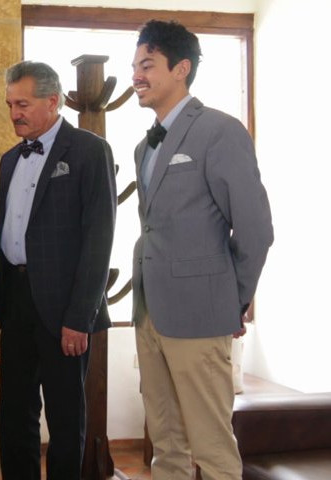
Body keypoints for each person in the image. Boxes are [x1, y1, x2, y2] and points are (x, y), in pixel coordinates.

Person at [130, 20, 274, 479]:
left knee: (211, 449)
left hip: (201, 313)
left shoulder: (219, 131)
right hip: (150, 312)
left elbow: (255, 229)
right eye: (134, 66)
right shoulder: (143, 147)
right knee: (165, 444)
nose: (136, 75)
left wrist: (234, 301)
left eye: (147, 65)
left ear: (182, 69)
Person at [0, 60, 117, 479]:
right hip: (16, 302)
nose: (14, 113)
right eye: (9, 104)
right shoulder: (8, 161)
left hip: (65, 307)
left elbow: (99, 240)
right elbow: (5, 234)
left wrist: (80, 317)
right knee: (14, 413)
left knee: (65, 417)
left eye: (22, 103)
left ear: (52, 101)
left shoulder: (91, 151)